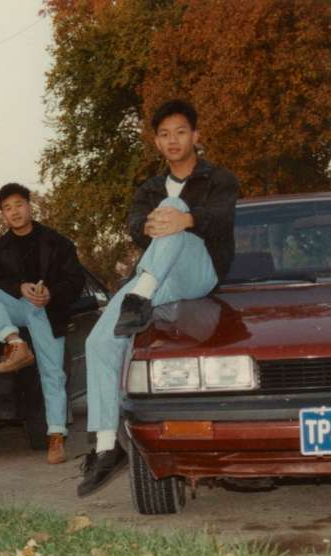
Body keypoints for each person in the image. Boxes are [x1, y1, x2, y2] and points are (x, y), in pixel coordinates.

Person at [77, 99, 240, 497]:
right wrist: (148, 226)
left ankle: (140, 298)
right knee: (98, 342)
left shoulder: (218, 178)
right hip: (153, 276)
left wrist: (185, 219)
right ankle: (104, 446)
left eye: (181, 132)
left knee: (172, 206)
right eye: (164, 134)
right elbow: (135, 226)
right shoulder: (147, 188)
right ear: (156, 141)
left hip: (199, 273)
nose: (173, 140)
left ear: (196, 136)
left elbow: (222, 218)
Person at [0, 183, 85, 465]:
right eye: (7, 208)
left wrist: (51, 294)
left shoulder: (58, 242)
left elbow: (76, 281)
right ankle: (16, 343)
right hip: (19, 308)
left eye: (19, 204)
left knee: (53, 375)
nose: (15, 212)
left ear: (30, 206)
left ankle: (56, 438)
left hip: (49, 311)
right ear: (2, 214)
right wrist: (19, 287)